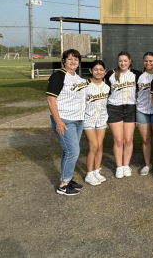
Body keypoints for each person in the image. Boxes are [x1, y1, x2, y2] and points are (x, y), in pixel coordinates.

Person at [46, 49, 87, 196]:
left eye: (76, 59)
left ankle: (67, 179)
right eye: (69, 59)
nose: (73, 61)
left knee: (69, 151)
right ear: (63, 60)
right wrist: (57, 121)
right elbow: (51, 100)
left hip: (77, 119)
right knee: (73, 152)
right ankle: (63, 185)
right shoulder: (58, 76)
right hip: (64, 120)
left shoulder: (77, 77)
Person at [105, 51, 142, 179]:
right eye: (120, 61)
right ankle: (119, 166)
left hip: (130, 108)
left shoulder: (136, 74)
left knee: (128, 140)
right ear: (117, 62)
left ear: (130, 61)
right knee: (118, 140)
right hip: (114, 108)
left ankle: (126, 165)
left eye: (125, 60)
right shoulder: (110, 74)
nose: (123, 63)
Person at [83, 60, 111, 186]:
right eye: (95, 69)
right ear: (90, 71)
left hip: (102, 118)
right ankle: (89, 174)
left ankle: (96, 170)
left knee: (100, 146)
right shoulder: (85, 85)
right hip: (88, 118)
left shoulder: (107, 85)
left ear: (104, 71)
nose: (98, 72)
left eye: (101, 69)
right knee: (93, 146)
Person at [136, 52, 153, 176]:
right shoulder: (139, 75)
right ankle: (147, 164)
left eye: (151, 61)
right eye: (146, 61)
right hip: (142, 110)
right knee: (146, 139)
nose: (148, 63)